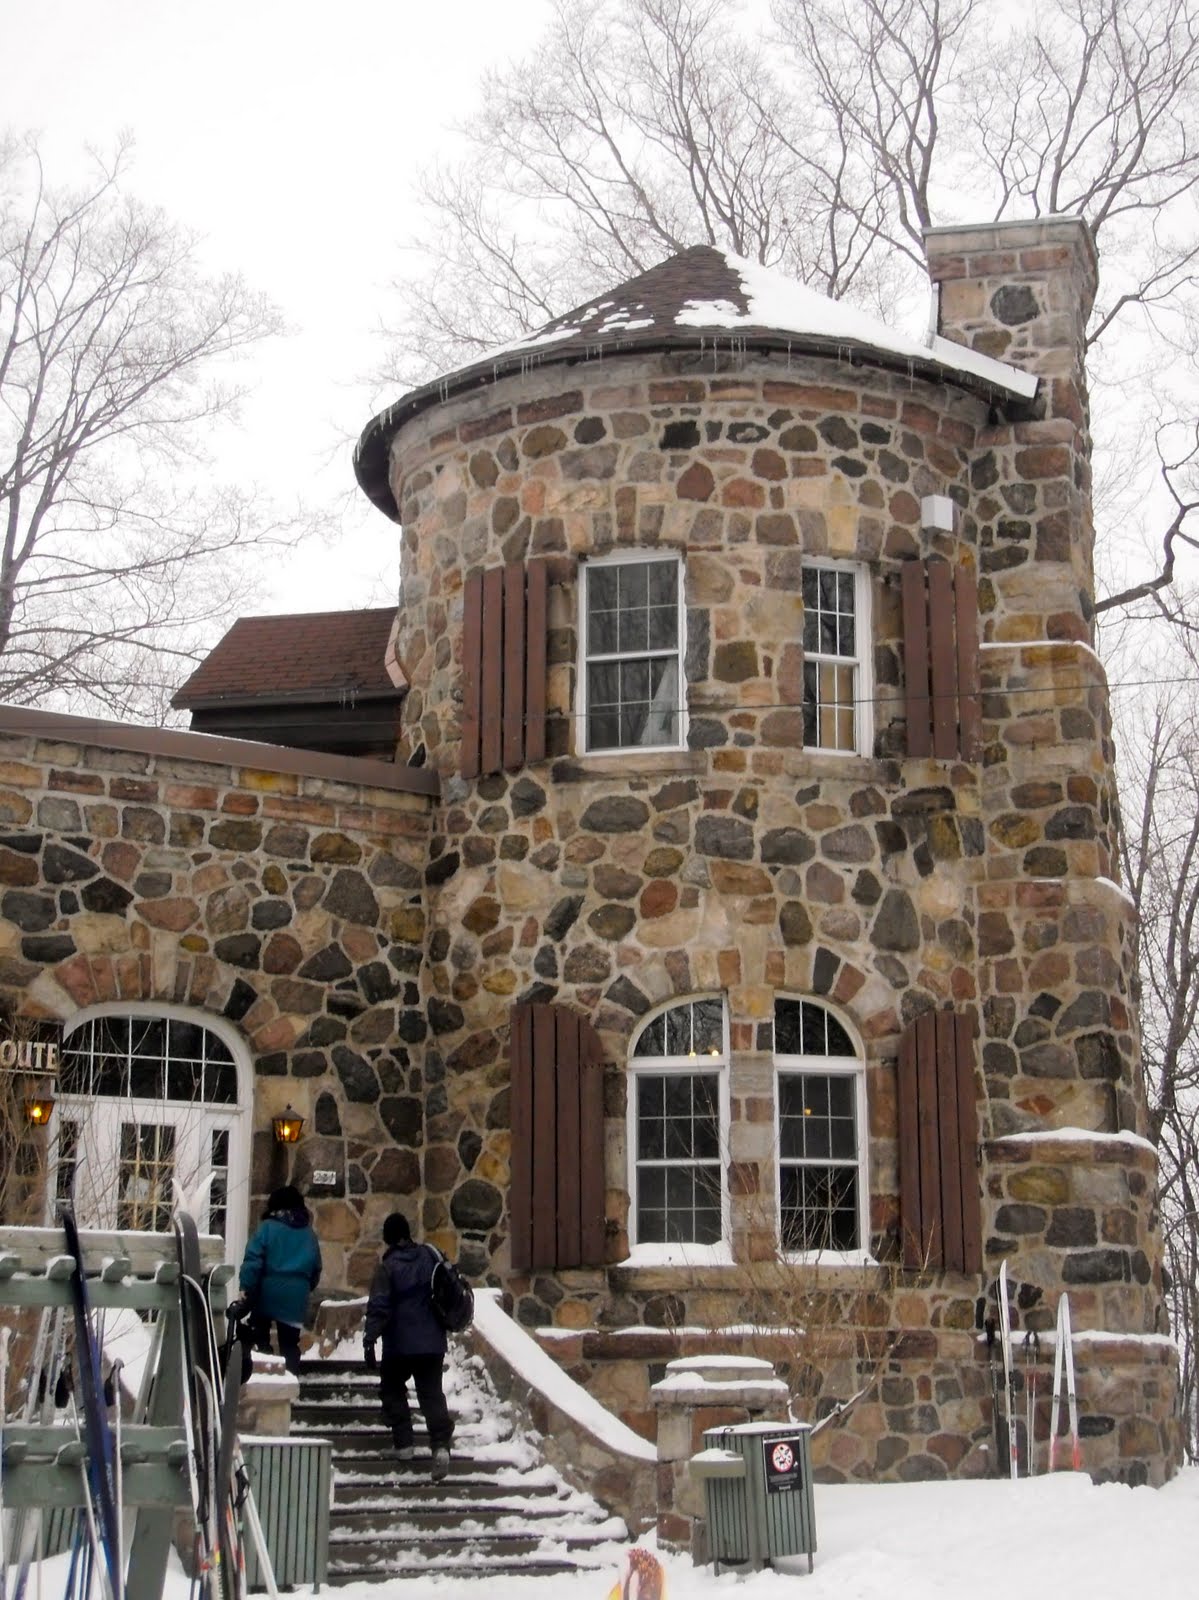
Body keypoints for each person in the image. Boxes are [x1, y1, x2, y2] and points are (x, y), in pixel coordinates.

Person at [363, 1212, 454, 1480]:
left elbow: (379, 1307)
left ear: (388, 1237)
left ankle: (404, 1444)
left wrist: (370, 1340)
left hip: (399, 1345)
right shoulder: (430, 1257)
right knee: (432, 1395)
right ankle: (440, 1446)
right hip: (432, 1343)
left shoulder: (387, 1267)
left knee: (391, 1389)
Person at [232, 1185, 322, 1376]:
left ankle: (264, 1376)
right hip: (296, 1295)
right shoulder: (309, 1234)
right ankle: (290, 1382)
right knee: (290, 1343)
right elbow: (316, 1269)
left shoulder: (267, 1228)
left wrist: (245, 1288)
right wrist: (304, 1287)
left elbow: (253, 1262)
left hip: (267, 1291)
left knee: (260, 1336)